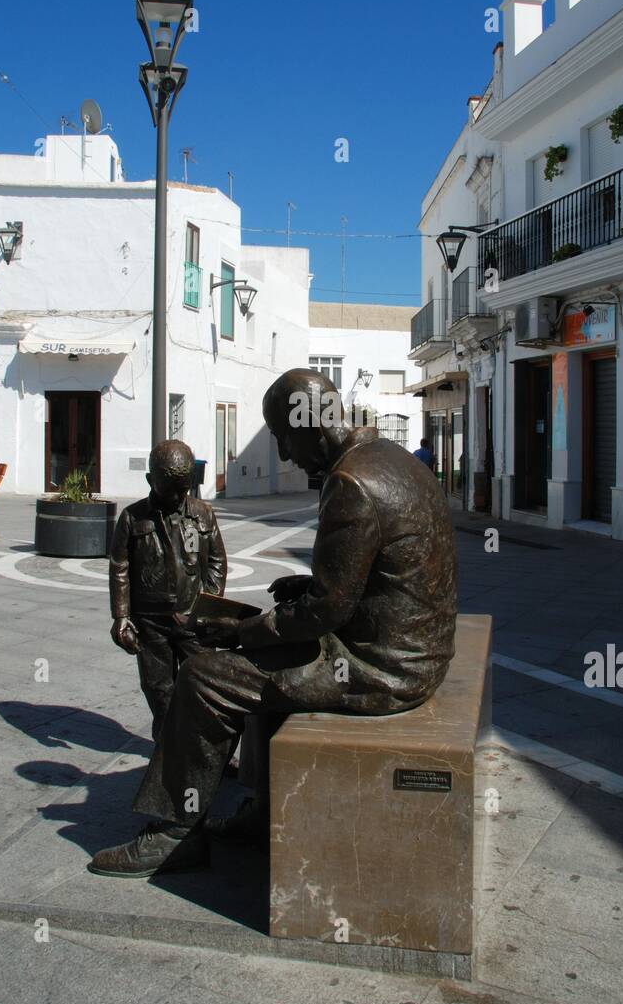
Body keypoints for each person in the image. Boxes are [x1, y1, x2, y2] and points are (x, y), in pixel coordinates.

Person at [89, 369, 457, 878]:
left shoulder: (350, 481)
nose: (284, 455)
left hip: (381, 667)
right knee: (255, 667)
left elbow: (325, 614)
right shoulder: (391, 460)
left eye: (283, 438)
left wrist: (242, 631)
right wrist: (304, 589)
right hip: (419, 650)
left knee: (204, 677)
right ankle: (263, 813)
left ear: (308, 427)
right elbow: (365, 580)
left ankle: (174, 832)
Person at [108, 438, 227, 742]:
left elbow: (216, 560)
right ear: (151, 480)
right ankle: (168, 753)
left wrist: (209, 604)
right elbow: (119, 566)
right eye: (169, 488)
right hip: (150, 623)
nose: (177, 496)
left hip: (192, 620)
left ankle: (205, 753)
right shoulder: (132, 518)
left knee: (202, 687)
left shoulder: (203, 514)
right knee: (159, 690)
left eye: (183, 488)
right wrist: (121, 617)